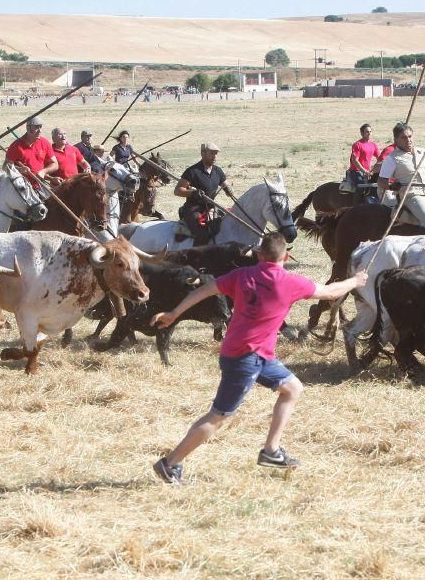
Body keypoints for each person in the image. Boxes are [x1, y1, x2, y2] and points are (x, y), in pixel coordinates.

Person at [150, 232, 368, 484]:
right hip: (245, 358)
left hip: (252, 353)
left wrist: (174, 313)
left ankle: (271, 451)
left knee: (292, 388)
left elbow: (206, 289)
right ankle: (170, 463)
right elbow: (331, 292)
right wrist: (356, 280)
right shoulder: (290, 282)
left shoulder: (241, 275)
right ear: (286, 256)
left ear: (259, 255)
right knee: (219, 416)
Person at [377, 123, 425, 230]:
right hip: (412, 196)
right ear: (396, 140)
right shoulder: (391, 158)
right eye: (403, 137)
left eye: (410, 136)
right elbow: (381, 181)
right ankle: (422, 246)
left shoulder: (423, 152)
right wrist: (391, 186)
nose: (408, 140)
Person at [175, 142, 232, 245]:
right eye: (212, 153)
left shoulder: (218, 171)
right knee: (202, 232)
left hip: (210, 208)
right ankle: (197, 256)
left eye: (216, 153)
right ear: (203, 153)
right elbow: (178, 190)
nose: (215, 156)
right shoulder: (192, 171)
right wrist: (193, 193)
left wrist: (228, 189)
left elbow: (225, 184)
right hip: (193, 209)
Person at [3, 116, 58, 188]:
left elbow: (55, 164)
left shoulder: (44, 142)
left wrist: (43, 172)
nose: (40, 130)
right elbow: (5, 167)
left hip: (40, 184)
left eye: (40, 127)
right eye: (36, 127)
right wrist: (19, 169)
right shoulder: (16, 146)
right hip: (21, 187)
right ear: (28, 128)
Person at [344, 124, 380, 204]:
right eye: (367, 132)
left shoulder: (373, 145)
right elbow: (355, 161)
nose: (369, 133)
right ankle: (355, 206)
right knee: (361, 187)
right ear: (362, 133)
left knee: (376, 186)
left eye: (370, 131)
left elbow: (380, 158)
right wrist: (365, 171)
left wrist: (373, 170)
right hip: (355, 171)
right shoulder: (357, 145)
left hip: (367, 172)